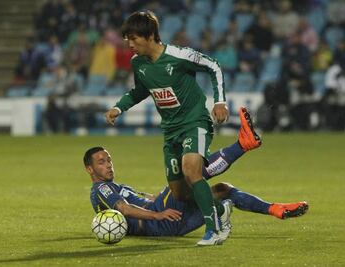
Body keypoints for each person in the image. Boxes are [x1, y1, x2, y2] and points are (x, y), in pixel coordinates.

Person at [104, 10, 261, 245]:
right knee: (180, 192)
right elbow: (140, 90)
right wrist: (119, 107)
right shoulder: (138, 64)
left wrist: (219, 101)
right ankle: (219, 209)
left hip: (194, 122)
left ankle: (214, 230)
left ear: (150, 36)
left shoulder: (178, 55)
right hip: (170, 131)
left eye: (133, 38)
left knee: (191, 170)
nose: (129, 44)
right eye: (127, 38)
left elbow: (213, 66)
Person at [85, 139, 308, 243]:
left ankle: (275, 209)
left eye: (110, 160)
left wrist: (154, 200)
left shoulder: (116, 186)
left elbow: (133, 200)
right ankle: (241, 145)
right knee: (188, 174)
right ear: (90, 169)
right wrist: (157, 212)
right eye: (102, 162)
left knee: (223, 189)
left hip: (172, 224)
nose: (109, 165)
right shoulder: (101, 188)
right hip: (160, 220)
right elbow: (124, 208)